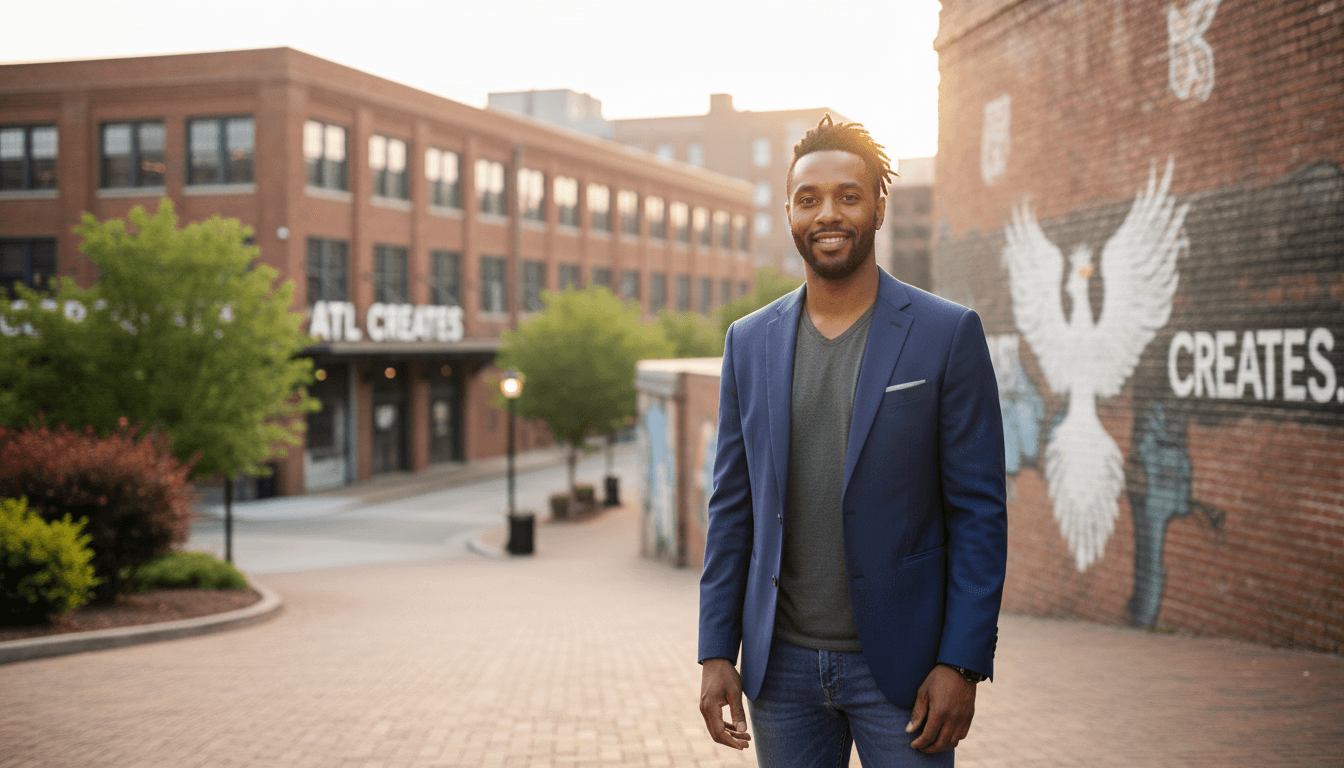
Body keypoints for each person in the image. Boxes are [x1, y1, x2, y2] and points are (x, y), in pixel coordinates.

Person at [697, 115, 1007, 766]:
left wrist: (962, 661)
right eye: (808, 199)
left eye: (848, 196)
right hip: (779, 672)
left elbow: (979, 513)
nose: (828, 214)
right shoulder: (747, 342)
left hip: (907, 669)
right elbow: (732, 508)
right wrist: (716, 649)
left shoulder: (946, 334)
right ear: (788, 212)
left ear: (878, 208)